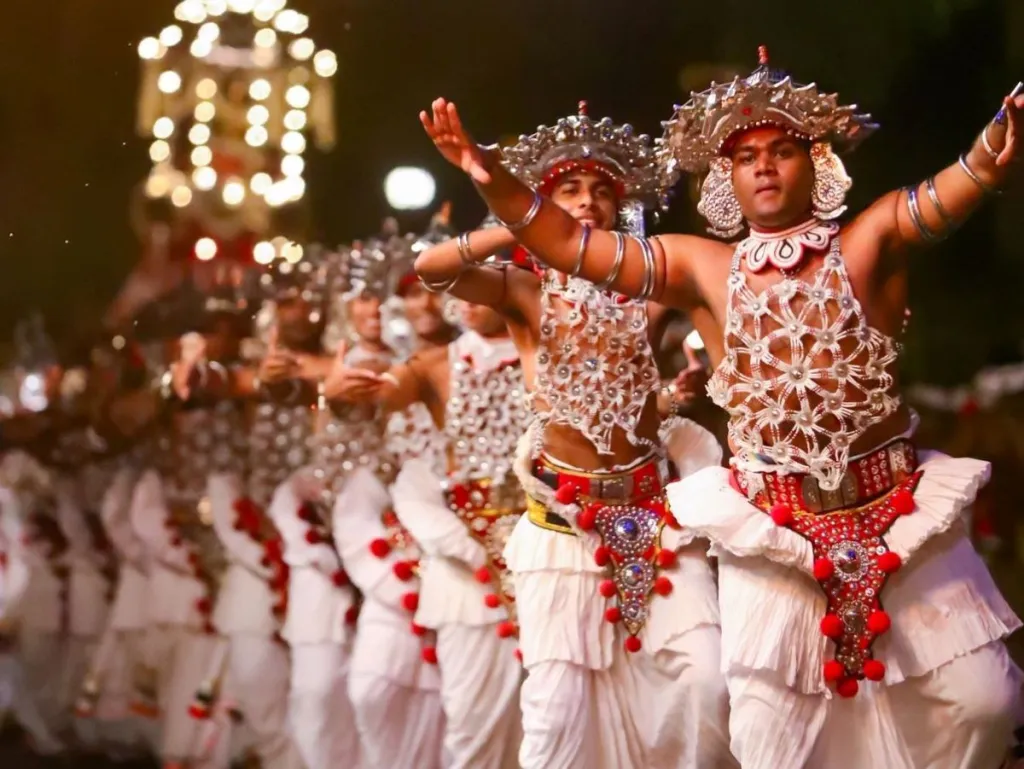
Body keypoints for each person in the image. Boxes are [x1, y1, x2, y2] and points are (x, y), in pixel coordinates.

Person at [420, 47, 1024, 769]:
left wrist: (993, 142)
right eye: (744, 157)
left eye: (781, 151)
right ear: (724, 179)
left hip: (897, 514)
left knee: (987, 702)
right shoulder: (702, 266)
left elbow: (955, 187)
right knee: (766, 744)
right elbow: (568, 245)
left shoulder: (870, 239)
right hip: (771, 530)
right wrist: (489, 174)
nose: (763, 166)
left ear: (818, 163)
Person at [414, 103, 732, 769]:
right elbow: (434, 270)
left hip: (655, 519)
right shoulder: (524, 293)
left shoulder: (650, 292)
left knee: (706, 684)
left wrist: (684, 391)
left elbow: (719, 299)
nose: (587, 201)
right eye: (569, 191)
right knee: (555, 718)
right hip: (561, 530)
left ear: (620, 210)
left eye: (601, 191)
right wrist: (511, 223)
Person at [326, 251, 532, 768]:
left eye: (476, 282)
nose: (463, 297)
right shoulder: (436, 364)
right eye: (454, 287)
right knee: (472, 723)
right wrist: (344, 398)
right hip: (468, 569)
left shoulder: (546, 353)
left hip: (547, 548)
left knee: (554, 717)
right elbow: (383, 394)